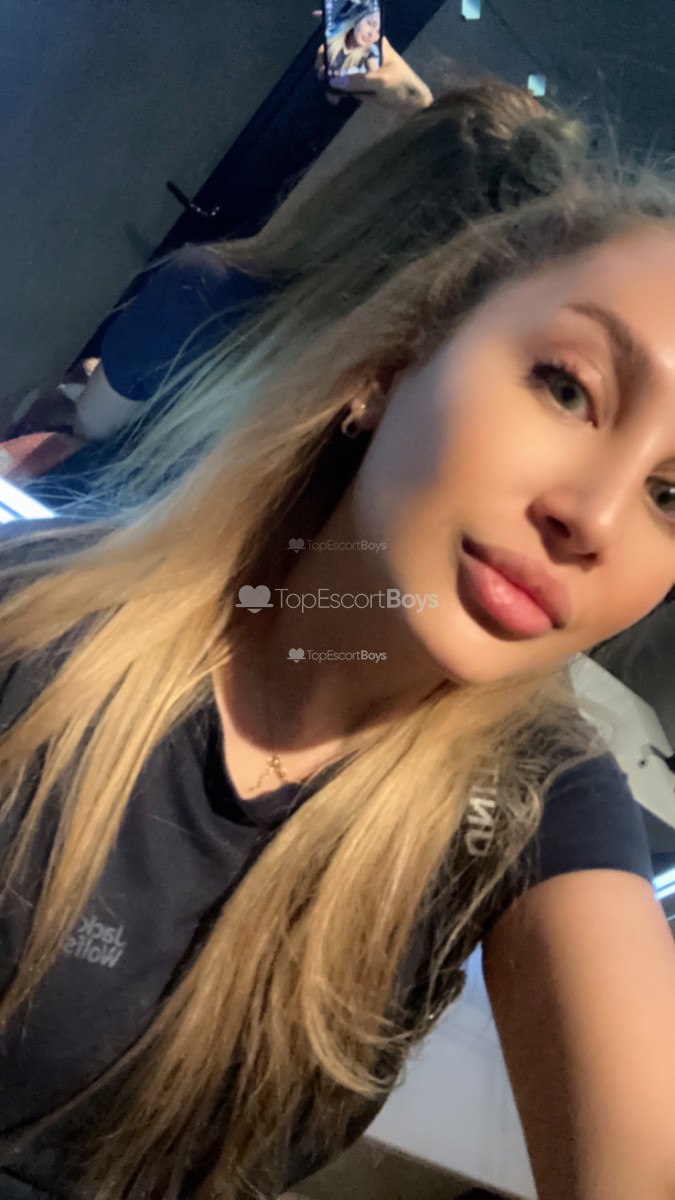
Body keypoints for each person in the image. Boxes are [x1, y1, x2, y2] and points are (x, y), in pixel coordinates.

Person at [2, 80, 675, 1200]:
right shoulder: (36, 625)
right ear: (391, 365)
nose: (594, 517)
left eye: (672, 495)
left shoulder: (536, 797)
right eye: (567, 387)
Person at [16, 78, 580, 509]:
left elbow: (94, 427)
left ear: (371, 179)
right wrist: (414, 100)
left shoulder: (204, 287)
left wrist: (106, 372)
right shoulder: (426, 426)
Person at [325, 0, 381, 77]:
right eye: (370, 24)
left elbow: (376, 77)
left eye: (378, 32)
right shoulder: (330, 39)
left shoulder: (370, 55)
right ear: (357, 19)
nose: (372, 34)